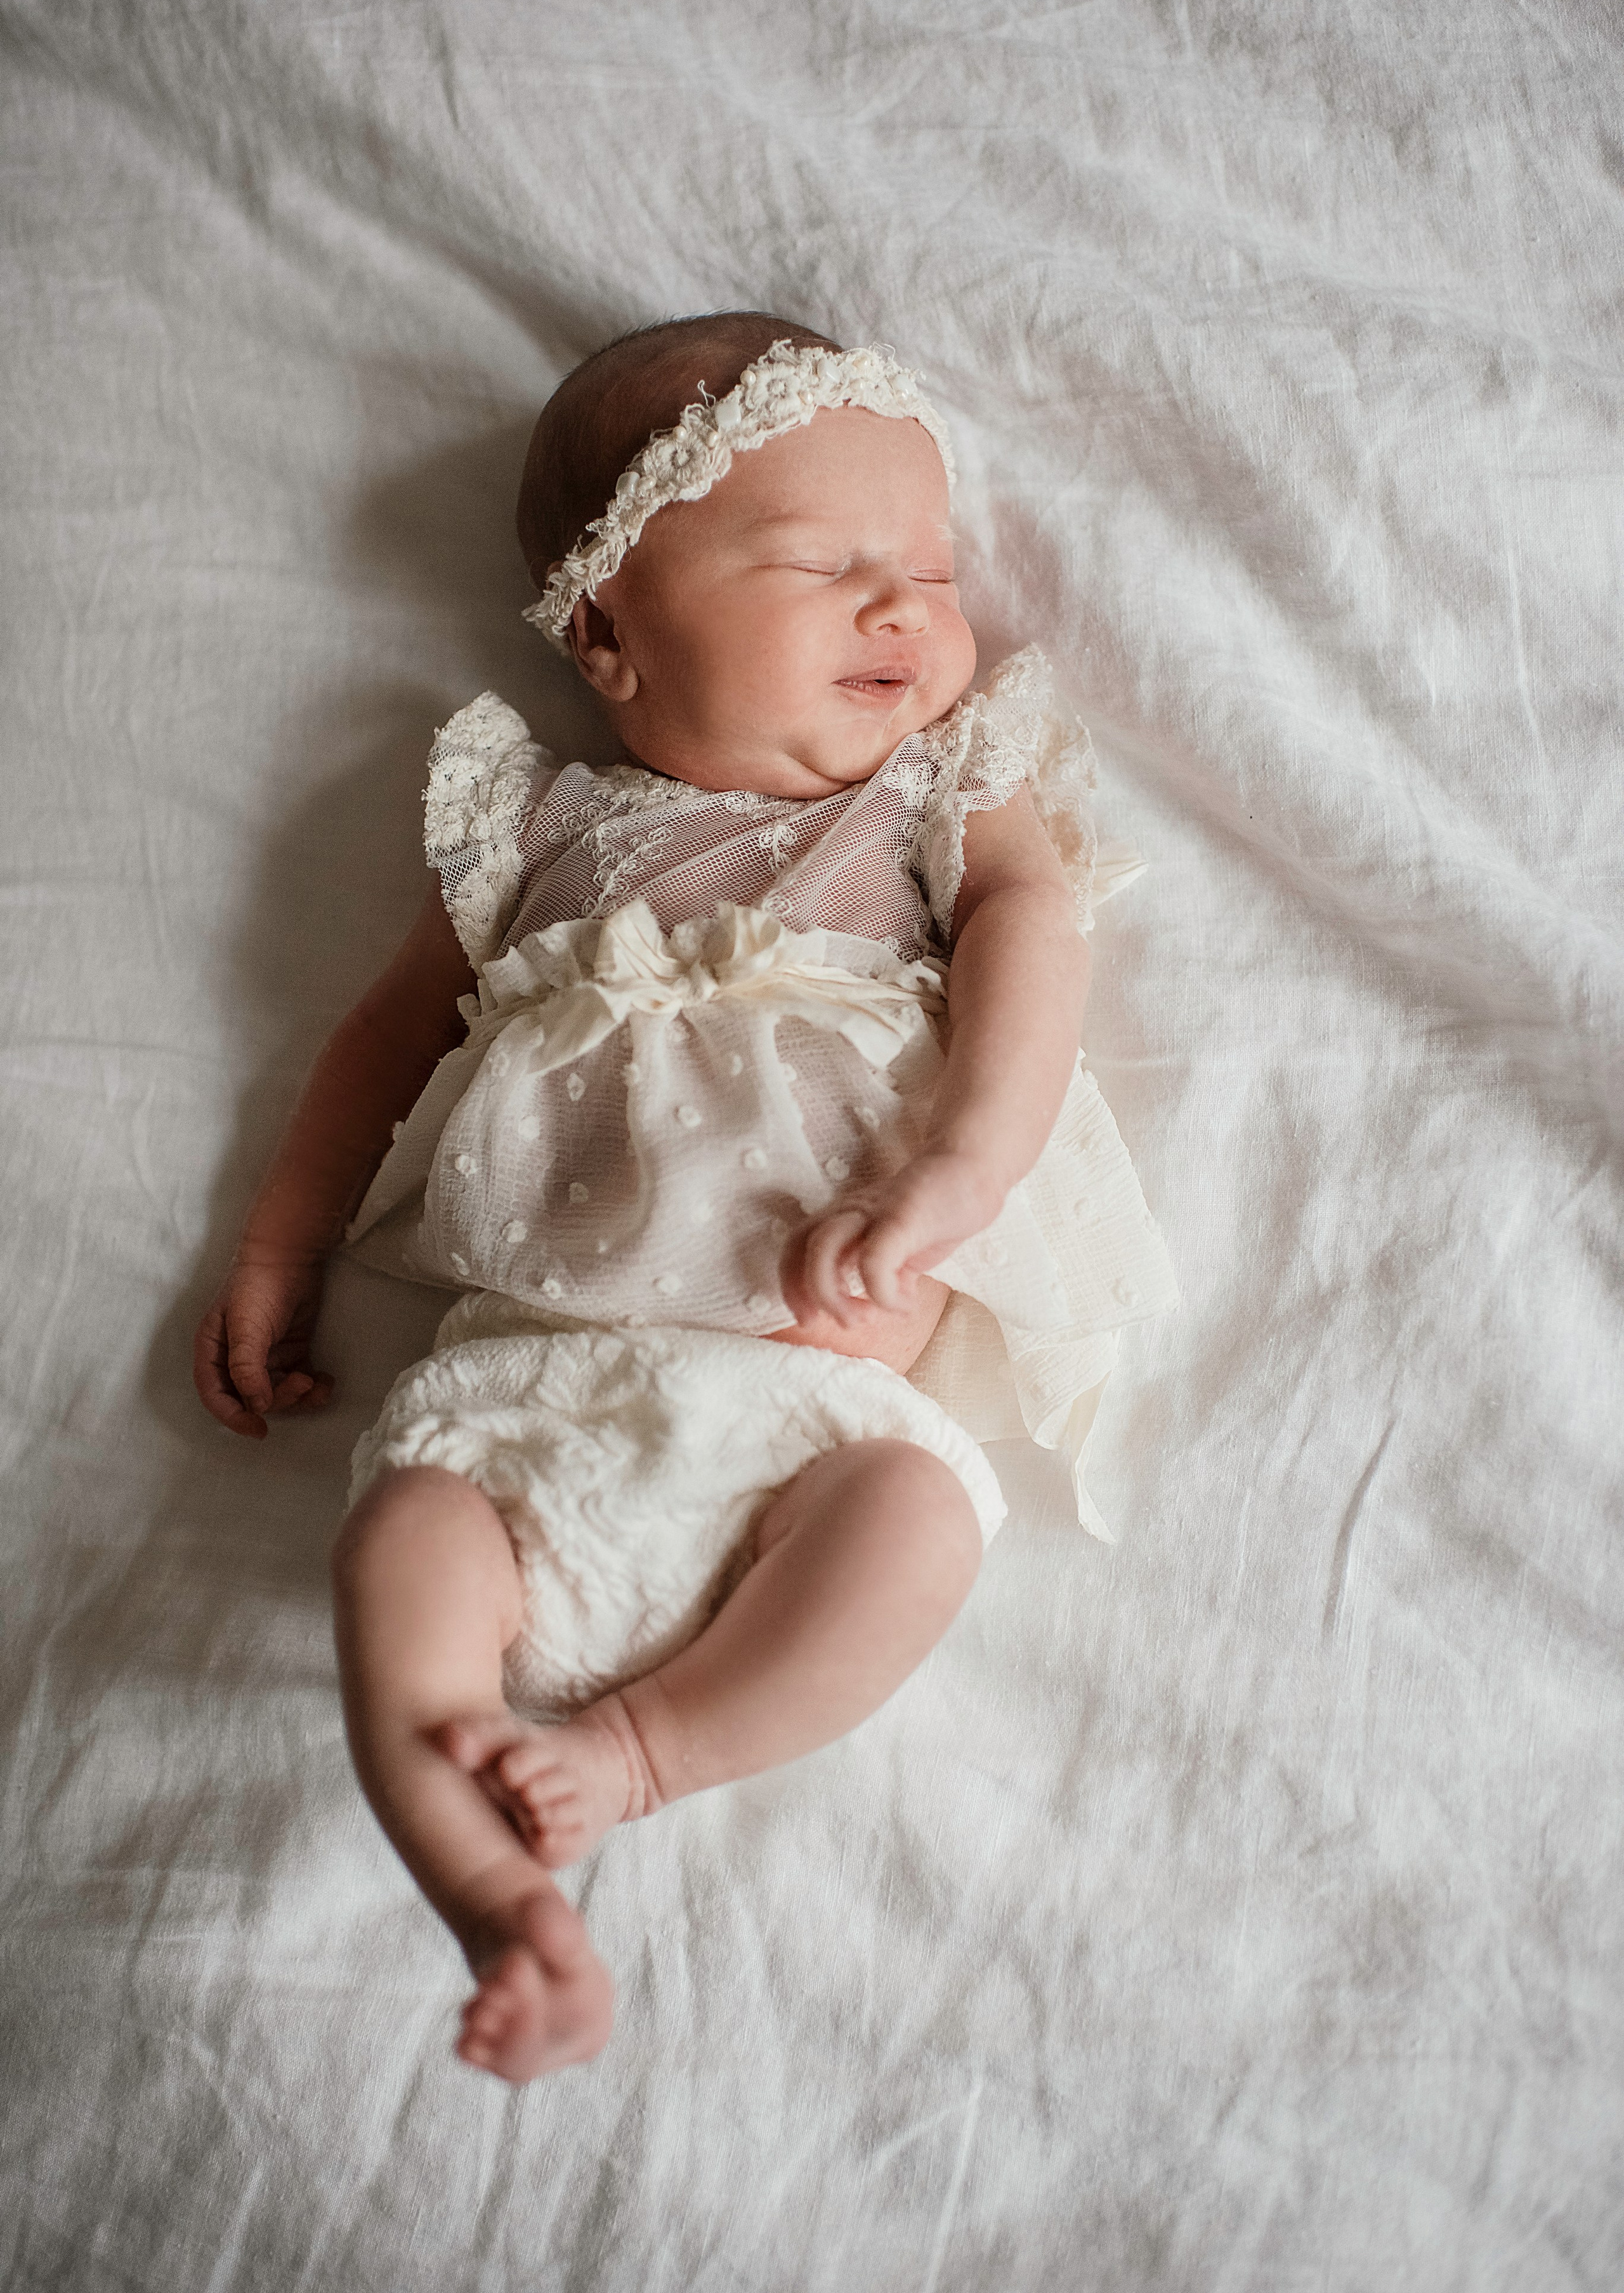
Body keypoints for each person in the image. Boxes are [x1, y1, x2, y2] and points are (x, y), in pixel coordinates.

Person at [193, 312, 1177, 2083]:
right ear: (607, 632)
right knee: (397, 1551)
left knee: (920, 1530)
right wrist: (276, 1248)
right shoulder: (531, 825)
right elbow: (376, 1041)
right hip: (528, 1402)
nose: (904, 608)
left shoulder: (936, 800)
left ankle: (648, 1751)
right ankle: (497, 1898)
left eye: (930, 573)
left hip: (815, 1417)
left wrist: (969, 1158)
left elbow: (1041, 929)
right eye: (825, 564)